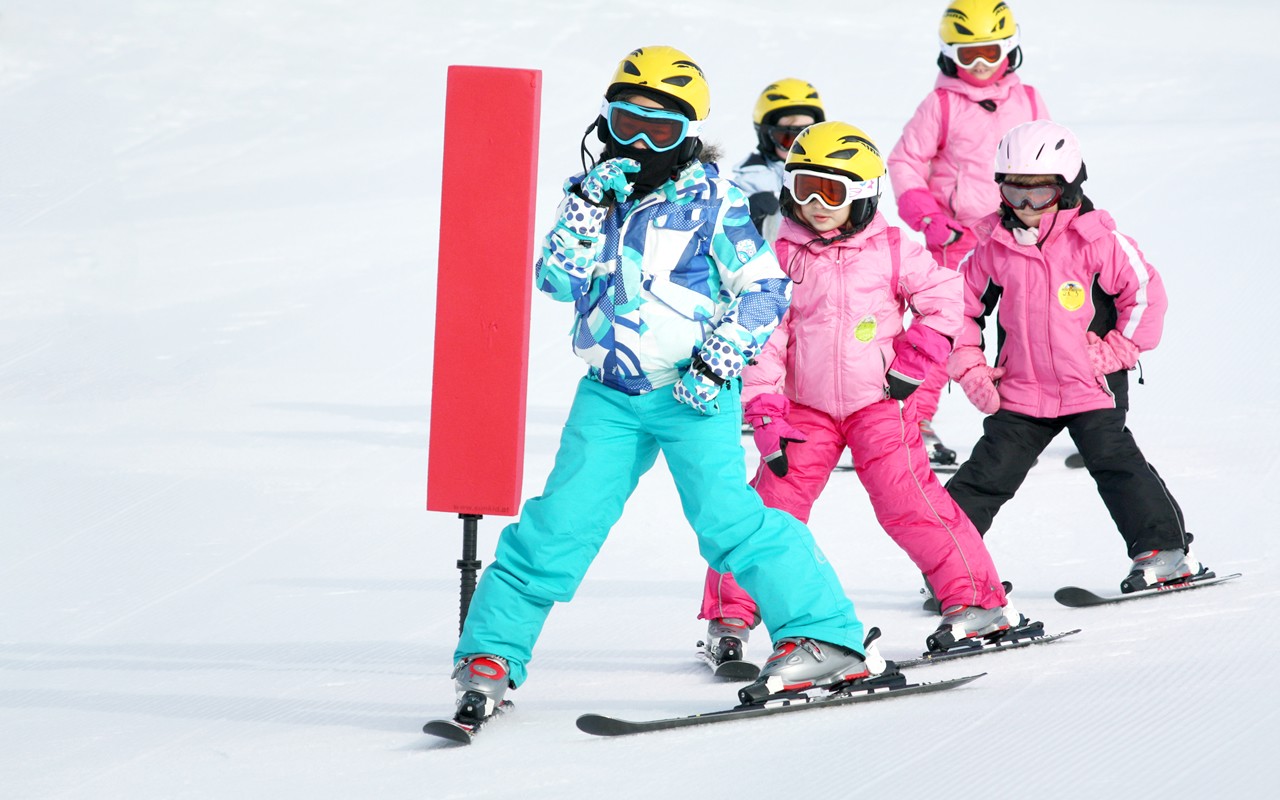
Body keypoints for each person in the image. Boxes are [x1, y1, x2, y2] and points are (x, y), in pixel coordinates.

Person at [448, 46, 888, 728]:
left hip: (693, 393)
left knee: (729, 522)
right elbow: (556, 281)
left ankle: (824, 635)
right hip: (609, 393)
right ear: (606, 123)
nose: (641, 142)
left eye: (661, 131)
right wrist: (587, 209)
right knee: (558, 525)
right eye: (628, 122)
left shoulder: (717, 202)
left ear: (688, 135)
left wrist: (719, 358)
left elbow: (764, 289)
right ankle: (491, 656)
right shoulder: (593, 196)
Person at [698, 121, 1029, 671]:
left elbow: (945, 297)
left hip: (879, 403)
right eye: (802, 188)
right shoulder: (778, 253)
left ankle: (977, 602)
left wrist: (915, 358)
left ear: (863, 194)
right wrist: (764, 407)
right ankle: (730, 618)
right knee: (768, 510)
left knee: (910, 504)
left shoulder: (892, 248)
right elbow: (765, 336)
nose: (814, 205)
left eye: (829, 192)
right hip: (805, 410)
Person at [943, 119, 1209, 595]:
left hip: (1091, 383)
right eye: (1013, 192)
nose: (1024, 207)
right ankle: (951, 571)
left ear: (1067, 187)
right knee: (985, 476)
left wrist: (1116, 351)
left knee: (1113, 462)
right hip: (1023, 389)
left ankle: (1162, 552)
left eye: (1039, 193)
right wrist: (972, 368)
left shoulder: (1097, 239)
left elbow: (1145, 296)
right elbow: (957, 311)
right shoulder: (992, 246)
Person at [888, 0, 1050, 468]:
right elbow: (904, 162)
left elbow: (1054, 161)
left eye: (989, 52)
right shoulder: (940, 104)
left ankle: (1054, 414)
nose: (979, 65)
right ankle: (913, 420)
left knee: (1035, 325)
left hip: (1021, 233)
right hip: (958, 238)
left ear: (1010, 50)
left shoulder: (1031, 100)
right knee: (945, 329)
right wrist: (928, 216)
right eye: (967, 55)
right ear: (948, 55)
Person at [732, 78, 825, 242]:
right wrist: (747, 213)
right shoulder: (751, 180)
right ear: (767, 136)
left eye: (806, 136)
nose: (798, 148)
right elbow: (725, 228)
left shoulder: (828, 174)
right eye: (787, 138)